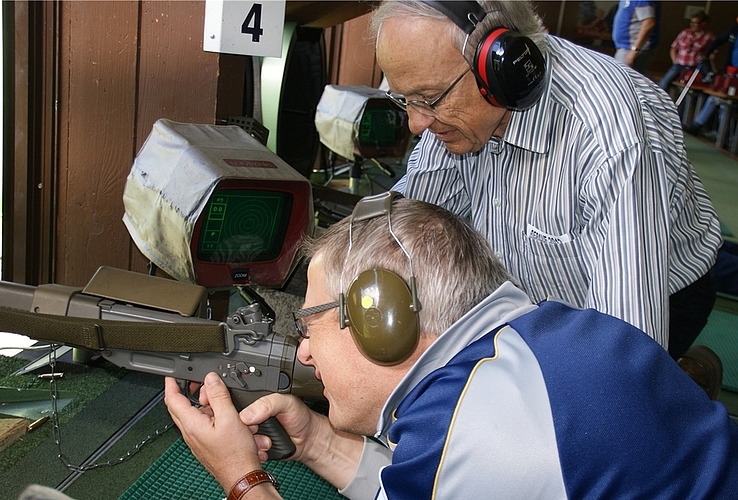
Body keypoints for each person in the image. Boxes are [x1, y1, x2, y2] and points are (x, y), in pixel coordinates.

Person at [164, 193, 738, 500]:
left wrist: (242, 478)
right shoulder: (539, 339)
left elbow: (469, 464)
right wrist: (315, 441)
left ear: (378, 319)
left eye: (309, 324)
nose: (305, 353)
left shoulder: (485, 435)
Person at [371, 0, 722, 361]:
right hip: (531, 292)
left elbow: (624, 348)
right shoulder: (450, 110)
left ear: (500, 67)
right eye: (406, 100)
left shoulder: (607, 132)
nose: (416, 123)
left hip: (659, 294)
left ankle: (685, 384)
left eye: (429, 99)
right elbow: (409, 224)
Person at [684, 17, 738, 138]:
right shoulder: (735, 30)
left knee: (727, 103)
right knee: (716, 97)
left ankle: (723, 135)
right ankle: (699, 126)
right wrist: (706, 54)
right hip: (731, 72)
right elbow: (717, 41)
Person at [658, 10, 714, 92]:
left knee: (688, 90)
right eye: (691, 22)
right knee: (663, 83)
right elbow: (674, 48)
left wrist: (704, 57)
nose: (692, 25)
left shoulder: (709, 36)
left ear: (703, 24)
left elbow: (713, 54)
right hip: (679, 65)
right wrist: (675, 61)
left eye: (695, 23)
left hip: (695, 67)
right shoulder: (684, 33)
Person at [612, 0, 660, 75]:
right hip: (625, 48)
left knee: (624, 81)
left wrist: (635, 49)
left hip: (632, 49)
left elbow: (649, 23)